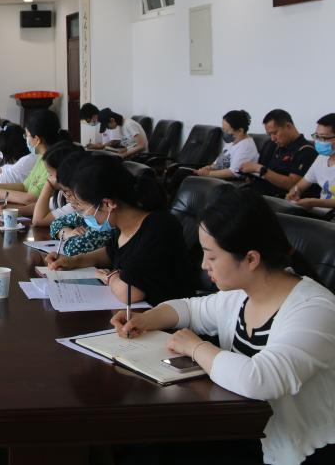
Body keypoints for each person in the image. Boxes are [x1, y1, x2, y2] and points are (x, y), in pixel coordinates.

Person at [111, 185, 335, 464]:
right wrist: (146, 318)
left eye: (212, 256)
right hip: (246, 427)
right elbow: (190, 308)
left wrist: (196, 348)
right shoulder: (242, 294)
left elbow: (262, 379)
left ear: (251, 259)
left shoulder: (314, 309)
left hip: (299, 448)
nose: (204, 265)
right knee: (144, 444)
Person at [45, 154, 194, 305]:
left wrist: (110, 277)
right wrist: (74, 261)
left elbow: (129, 293)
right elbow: (110, 253)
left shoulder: (159, 227)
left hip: (162, 314)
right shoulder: (124, 225)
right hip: (136, 313)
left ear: (108, 204)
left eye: (83, 208)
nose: (83, 215)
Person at [0, 109, 66, 206]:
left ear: (37, 140)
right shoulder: (41, 157)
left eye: (27, 136)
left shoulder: (53, 162)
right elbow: (24, 186)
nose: (25, 139)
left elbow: (30, 199)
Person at [242, 109, 318, 197]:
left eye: (274, 133)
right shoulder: (271, 145)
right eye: (269, 135)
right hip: (260, 190)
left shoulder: (306, 150)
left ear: (288, 126)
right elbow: (262, 168)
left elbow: (293, 184)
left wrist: (260, 169)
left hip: (279, 197)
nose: (272, 138)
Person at [286, 113, 335, 211]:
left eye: (323, 137)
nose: (318, 142)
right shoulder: (321, 158)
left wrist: (314, 202)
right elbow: (300, 186)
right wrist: (294, 193)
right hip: (321, 213)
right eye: (316, 136)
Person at [31, 140, 83, 227]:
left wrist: (48, 185)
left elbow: (38, 221)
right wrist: (16, 211)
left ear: (63, 172)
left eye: (51, 174)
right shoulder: (61, 194)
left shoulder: (77, 200)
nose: (49, 177)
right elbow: (41, 206)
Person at [195, 110, 258, 179]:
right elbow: (218, 164)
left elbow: (233, 172)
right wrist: (210, 168)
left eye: (227, 131)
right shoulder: (232, 142)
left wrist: (208, 174)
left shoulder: (246, 146)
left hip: (232, 182)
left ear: (240, 131)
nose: (225, 133)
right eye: (223, 129)